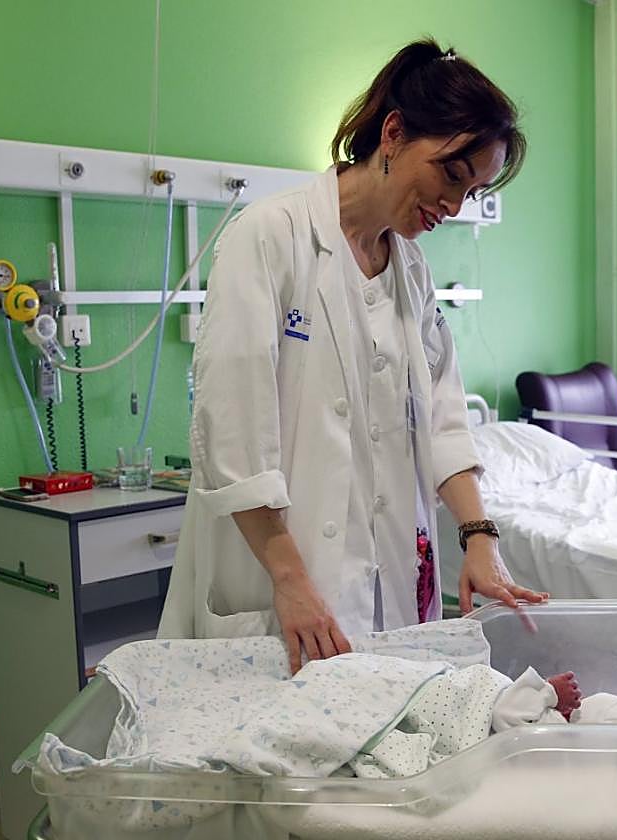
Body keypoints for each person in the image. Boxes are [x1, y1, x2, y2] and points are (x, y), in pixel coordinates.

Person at [157, 38, 547, 670]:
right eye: (451, 175)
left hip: (388, 583)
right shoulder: (270, 237)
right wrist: (288, 578)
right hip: (282, 582)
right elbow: (232, 430)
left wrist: (479, 537)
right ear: (393, 133)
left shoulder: (411, 273)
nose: (453, 207)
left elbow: (446, 418)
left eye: (471, 192)